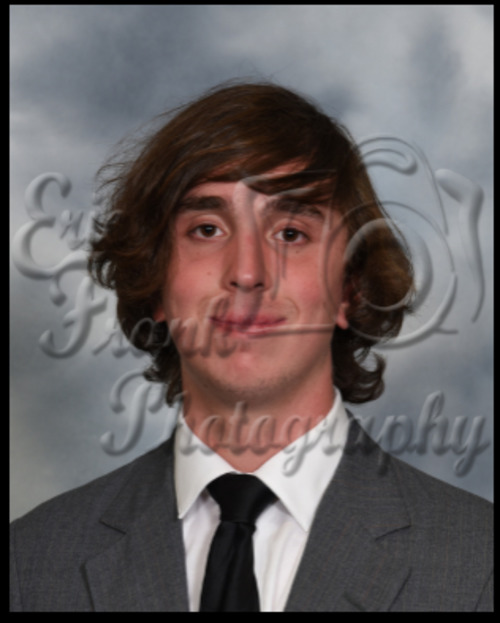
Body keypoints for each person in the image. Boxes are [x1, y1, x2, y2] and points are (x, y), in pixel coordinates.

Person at [10, 82, 492, 612]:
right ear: (155, 283)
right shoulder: (28, 566)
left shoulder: (480, 564)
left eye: (290, 234)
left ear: (350, 289)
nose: (246, 272)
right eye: (207, 229)